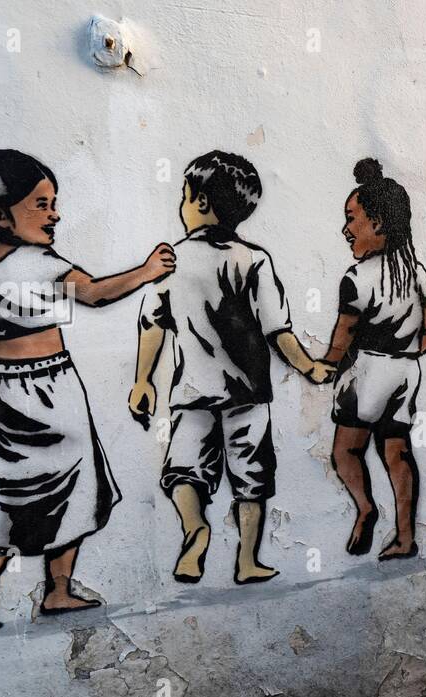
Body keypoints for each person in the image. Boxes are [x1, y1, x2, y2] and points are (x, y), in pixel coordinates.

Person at [0, 149, 175, 631]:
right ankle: (57, 590)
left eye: (54, 203)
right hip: (47, 386)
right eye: (41, 204)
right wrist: (147, 271)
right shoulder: (34, 261)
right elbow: (93, 293)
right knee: (76, 485)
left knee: (18, 489)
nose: (54, 214)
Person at [130, 151, 326, 585]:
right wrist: (310, 368)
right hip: (248, 392)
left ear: (200, 203)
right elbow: (279, 331)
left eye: (184, 196)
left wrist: (143, 381)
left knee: (183, 470)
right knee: (251, 480)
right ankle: (248, 560)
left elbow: (152, 325)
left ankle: (194, 529)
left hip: (191, 392)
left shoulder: (171, 262)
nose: (181, 205)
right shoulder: (253, 260)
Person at [318, 158, 426, 560]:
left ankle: (366, 507)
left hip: (367, 370)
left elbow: (344, 335)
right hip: (406, 370)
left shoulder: (357, 278)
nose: (346, 229)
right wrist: (406, 356)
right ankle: (405, 536)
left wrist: (328, 366)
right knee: (397, 452)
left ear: (379, 223)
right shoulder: (416, 272)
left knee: (346, 452)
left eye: (353, 219)